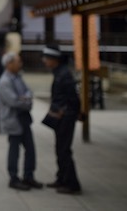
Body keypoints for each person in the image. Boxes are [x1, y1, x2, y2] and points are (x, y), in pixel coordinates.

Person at [0, 52, 42, 191]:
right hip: (13, 119)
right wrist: (25, 100)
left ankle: (29, 176)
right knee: (14, 150)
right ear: (9, 64)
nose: (20, 64)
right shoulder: (4, 81)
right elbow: (13, 101)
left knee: (30, 149)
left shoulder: (18, 77)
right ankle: (14, 178)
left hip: (24, 118)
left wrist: (25, 98)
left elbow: (28, 92)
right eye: (18, 61)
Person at [41, 43, 82, 194]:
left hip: (66, 117)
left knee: (64, 150)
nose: (44, 61)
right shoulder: (59, 72)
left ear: (55, 59)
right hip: (62, 116)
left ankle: (72, 183)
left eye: (47, 58)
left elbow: (73, 98)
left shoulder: (64, 74)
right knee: (60, 149)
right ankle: (62, 178)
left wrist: (68, 112)